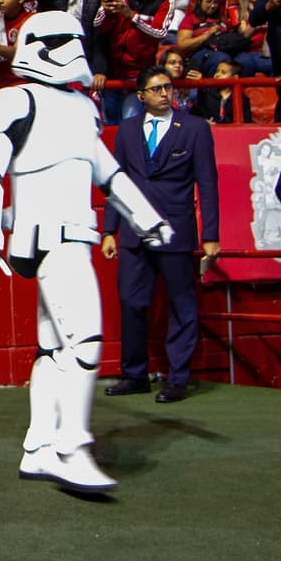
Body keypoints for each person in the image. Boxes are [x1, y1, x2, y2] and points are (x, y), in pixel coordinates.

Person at [0, 12, 172, 494]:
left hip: (72, 233)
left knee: (54, 347)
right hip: (47, 237)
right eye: (63, 41)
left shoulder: (83, 109)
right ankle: (71, 448)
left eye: (78, 40)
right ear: (36, 45)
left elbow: (110, 173)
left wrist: (149, 220)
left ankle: (39, 447)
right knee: (86, 340)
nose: (75, 49)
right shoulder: (12, 100)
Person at [103, 65, 220, 403]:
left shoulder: (195, 128)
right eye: (156, 89)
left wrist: (210, 234)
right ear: (141, 96)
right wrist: (110, 229)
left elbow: (208, 185)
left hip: (176, 230)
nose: (165, 93)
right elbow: (116, 182)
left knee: (182, 305)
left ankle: (178, 378)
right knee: (131, 301)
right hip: (133, 233)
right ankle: (135, 374)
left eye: (168, 87)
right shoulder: (125, 130)